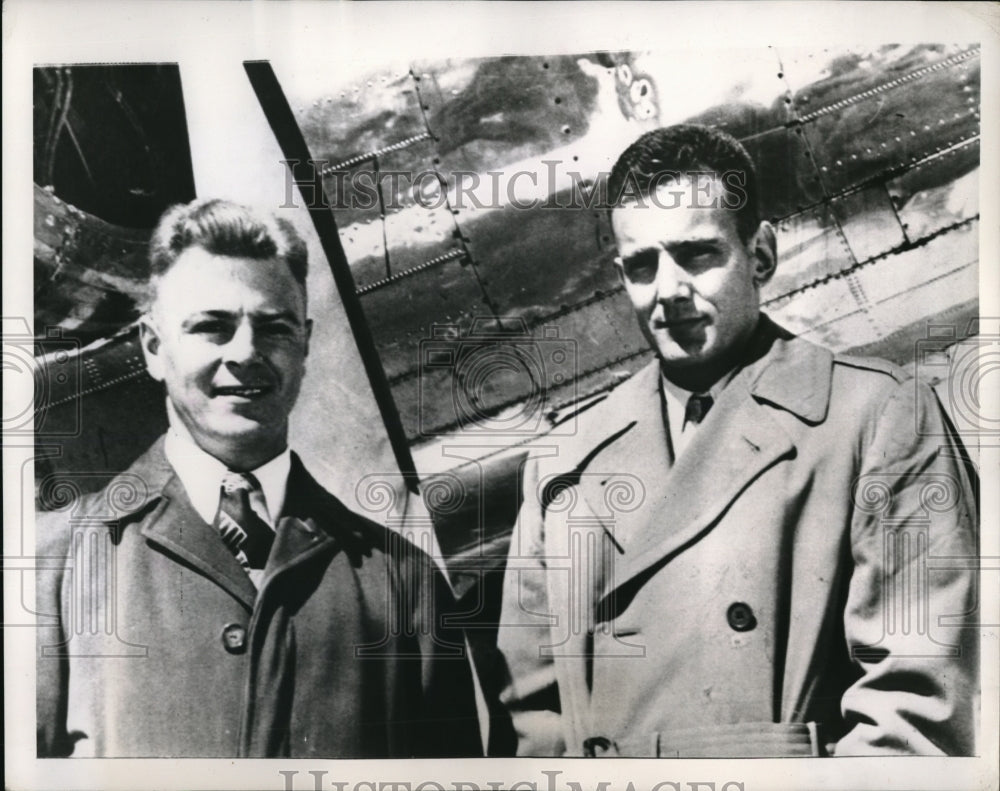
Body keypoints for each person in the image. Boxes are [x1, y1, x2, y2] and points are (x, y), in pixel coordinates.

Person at [495, 125, 978, 757]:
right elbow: (534, 720)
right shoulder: (562, 461)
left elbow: (919, 707)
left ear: (762, 255)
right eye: (642, 265)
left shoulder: (877, 417)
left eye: (697, 254)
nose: (667, 290)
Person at [36, 199, 482, 758]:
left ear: (305, 345)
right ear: (154, 347)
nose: (245, 353)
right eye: (211, 328)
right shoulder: (50, 569)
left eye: (273, 328)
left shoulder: (404, 585)